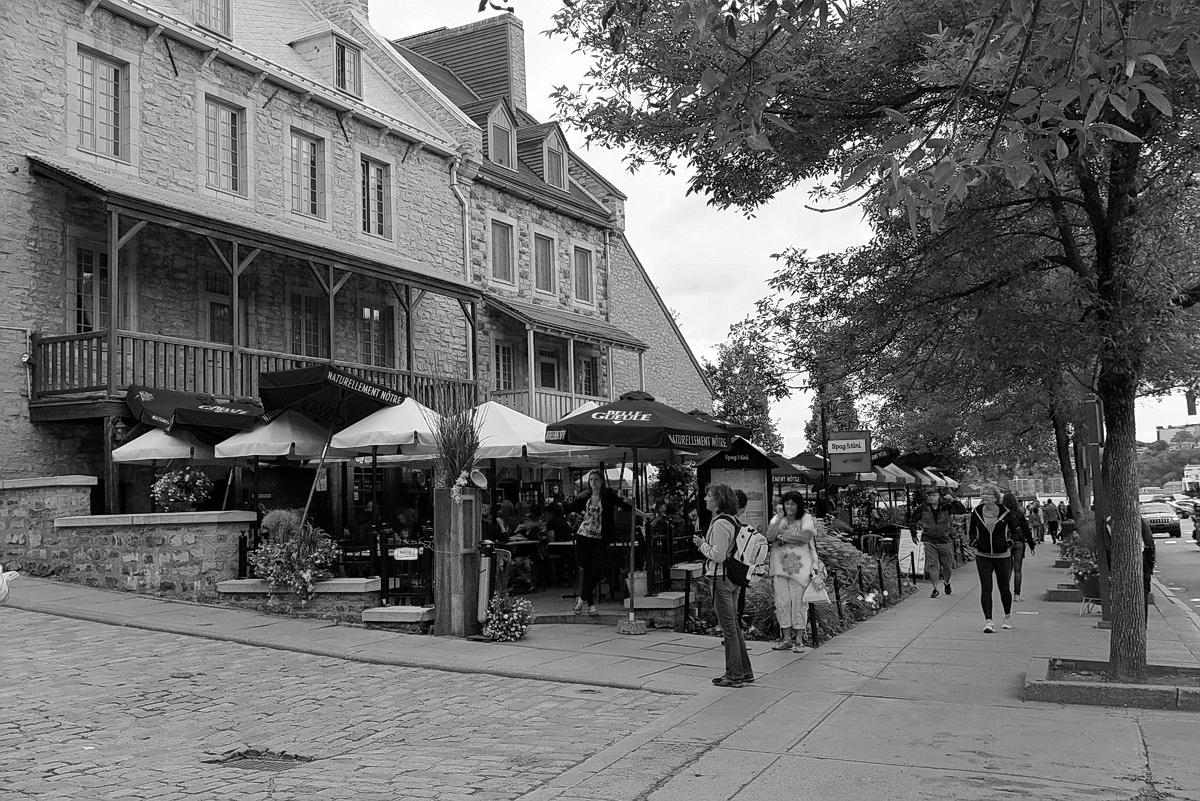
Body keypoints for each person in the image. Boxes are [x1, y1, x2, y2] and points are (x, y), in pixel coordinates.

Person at [693, 483, 754, 687]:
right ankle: (744, 671)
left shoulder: (720, 524)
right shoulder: (734, 521)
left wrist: (702, 545)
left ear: (718, 500)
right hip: (734, 578)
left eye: (708, 495)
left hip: (721, 578)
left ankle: (734, 675)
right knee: (734, 627)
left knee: (728, 629)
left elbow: (718, 555)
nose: (705, 499)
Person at [563, 469, 636, 617]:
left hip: (601, 537)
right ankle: (590, 605)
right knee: (588, 569)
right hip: (584, 536)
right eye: (591, 480)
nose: (593, 482)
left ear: (602, 481)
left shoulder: (607, 496)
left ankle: (582, 599)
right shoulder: (585, 497)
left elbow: (625, 506)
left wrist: (643, 514)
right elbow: (568, 507)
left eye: (596, 479)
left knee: (598, 568)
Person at [765, 490, 818, 654]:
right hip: (779, 568)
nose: (789, 506)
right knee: (782, 603)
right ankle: (786, 639)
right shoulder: (778, 518)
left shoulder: (806, 518)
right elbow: (769, 536)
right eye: (786, 502)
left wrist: (782, 537)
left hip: (799, 568)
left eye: (793, 503)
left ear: (799, 505)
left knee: (799, 603)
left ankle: (799, 640)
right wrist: (779, 521)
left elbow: (804, 537)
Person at [969, 486, 1024, 633]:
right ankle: (989, 621)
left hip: (1002, 556)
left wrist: (1009, 543)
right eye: (983, 493)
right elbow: (971, 531)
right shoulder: (977, 512)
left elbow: (1015, 531)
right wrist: (975, 542)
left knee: (1004, 587)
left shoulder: (1006, 513)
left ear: (995, 497)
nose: (984, 496)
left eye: (988, 494)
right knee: (986, 588)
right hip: (983, 555)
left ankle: (1007, 617)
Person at [915, 489, 955, 598]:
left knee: (946, 566)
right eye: (929, 495)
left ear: (939, 497)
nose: (931, 497)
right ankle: (935, 588)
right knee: (933, 564)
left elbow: (960, 510)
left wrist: (953, 501)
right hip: (929, 539)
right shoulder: (922, 508)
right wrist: (913, 533)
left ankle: (947, 582)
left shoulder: (946, 507)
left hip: (943, 539)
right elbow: (913, 520)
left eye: (934, 495)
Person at [1001, 491, 1037, 601]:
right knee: (1018, 569)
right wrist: (1031, 545)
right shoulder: (1019, 514)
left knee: (1007, 569)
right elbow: (1026, 530)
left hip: (1006, 543)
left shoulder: (1002, 514)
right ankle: (1017, 594)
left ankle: (1005, 593)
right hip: (1019, 542)